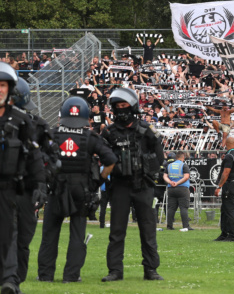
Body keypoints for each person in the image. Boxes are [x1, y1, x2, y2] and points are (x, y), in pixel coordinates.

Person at [36, 97, 117, 283]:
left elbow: (39, 158)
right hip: (81, 190)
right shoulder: (90, 137)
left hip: (56, 188)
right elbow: (111, 161)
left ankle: (45, 275)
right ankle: (71, 276)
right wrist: (96, 183)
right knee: (77, 234)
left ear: (62, 114)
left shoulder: (53, 134)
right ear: (86, 117)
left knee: (49, 234)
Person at [100, 88, 165, 282]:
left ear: (133, 106)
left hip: (143, 186)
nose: (121, 110)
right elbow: (102, 156)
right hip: (119, 186)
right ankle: (115, 271)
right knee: (117, 231)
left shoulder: (146, 130)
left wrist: (146, 169)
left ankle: (151, 270)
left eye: (124, 106)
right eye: (117, 107)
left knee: (148, 229)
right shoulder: (109, 132)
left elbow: (159, 156)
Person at [2, 78, 54, 294]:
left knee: (22, 238)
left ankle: (15, 282)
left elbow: (48, 157)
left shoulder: (37, 126)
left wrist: (42, 183)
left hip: (25, 188)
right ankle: (10, 280)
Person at [214, 136, 234, 242]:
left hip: (230, 184)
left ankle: (231, 235)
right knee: (226, 209)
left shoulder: (229, 156)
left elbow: (226, 173)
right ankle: (224, 233)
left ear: (226, 145)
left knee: (229, 210)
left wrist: (219, 186)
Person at [163, 152, 192, 232]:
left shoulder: (169, 165)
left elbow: (164, 176)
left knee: (171, 208)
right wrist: (178, 183)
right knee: (183, 207)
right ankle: (186, 226)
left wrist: (170, 182)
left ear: (176, 157)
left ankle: (169, 226)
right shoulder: (184, 165)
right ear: (183, 158)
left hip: (171, 189)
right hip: (182, 188)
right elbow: (186, 177)